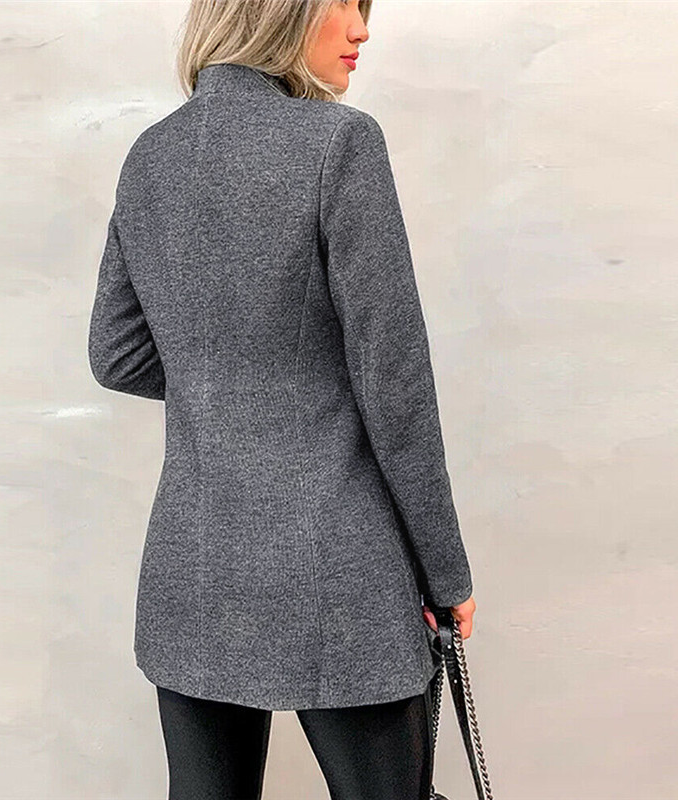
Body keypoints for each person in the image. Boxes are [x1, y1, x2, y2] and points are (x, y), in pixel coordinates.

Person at [87, 1, 477, 797]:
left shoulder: (150, 156)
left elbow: (116, 355)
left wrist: (228, 386)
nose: (362, 29)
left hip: (194, 569)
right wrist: (446, 575)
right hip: (337, 569)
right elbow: (395, 384)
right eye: (346, 5)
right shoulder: (340, 142)